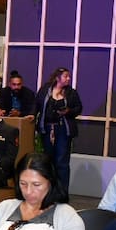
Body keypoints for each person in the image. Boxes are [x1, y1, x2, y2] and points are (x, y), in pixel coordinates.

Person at [35, 66, 82, 198]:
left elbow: (78, 108)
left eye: (69, 76)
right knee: (47, 160)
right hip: (47, 128)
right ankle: (47, 191)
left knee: (61, 161)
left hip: (63, 129)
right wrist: (32, 116)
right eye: (66, 76)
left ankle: (62, 193)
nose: (68, 79)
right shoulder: (45, 90)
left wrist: (68, 111)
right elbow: (37, 106)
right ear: (58, 78)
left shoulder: (71, 92)